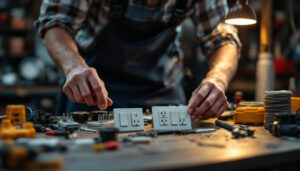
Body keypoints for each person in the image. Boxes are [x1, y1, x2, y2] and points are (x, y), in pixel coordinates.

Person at [35, 0, 241, 120]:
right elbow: (55, 22)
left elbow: (223, 38)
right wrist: (74, 67)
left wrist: (218, 79)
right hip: (95, 94)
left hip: (164, 93)